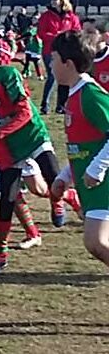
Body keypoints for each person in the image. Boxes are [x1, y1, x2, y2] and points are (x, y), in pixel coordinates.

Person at [0, 36, 71, 277]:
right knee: (6, 201)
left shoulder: (7, 75)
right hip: (8, 149)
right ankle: (0, 255)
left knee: (54, 179)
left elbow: (23, 113)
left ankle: (60, 199)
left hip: (31, 136)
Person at [51, 31, 109, 267]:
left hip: (102, 183)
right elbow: (82, 147)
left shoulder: (90, 94)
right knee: (95, 243)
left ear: (69, 64)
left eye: (54, 59)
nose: (51, 64)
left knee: (95, 241)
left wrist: (97, 169)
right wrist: (65, 176)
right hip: (91, 185)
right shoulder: (74, 95)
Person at [37, 0, 81, 114]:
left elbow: (77, 31)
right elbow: (41, 33)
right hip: (50, 51)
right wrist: (55, 37)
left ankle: (61, 106)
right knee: (52, 77)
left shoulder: (71, 17)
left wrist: (66, 37)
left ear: (62, 0)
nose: (53, 1)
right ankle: (45, 105)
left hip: (66, 51)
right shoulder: (46, 16)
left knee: (64, 78)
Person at [22, 15, 44, 80]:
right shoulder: (30, 27)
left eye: (35, 19)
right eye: (33, 18)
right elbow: (25, 33)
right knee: (27, 61)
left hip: (36, 46)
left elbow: (29, 33)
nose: (33, 20)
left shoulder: (38, 27)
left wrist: (19, 38)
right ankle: (25, 73)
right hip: (29, 46)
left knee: (36, 62)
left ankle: (40, 75)